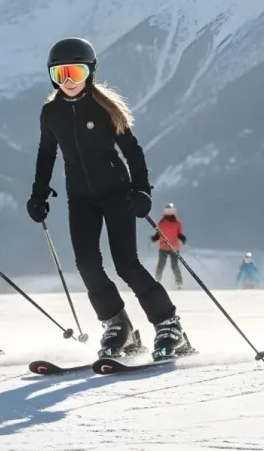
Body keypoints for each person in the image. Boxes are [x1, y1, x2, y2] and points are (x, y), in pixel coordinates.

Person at [25, 37, 193, 362]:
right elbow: (46, 155)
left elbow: (133, 152)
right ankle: (117, 324)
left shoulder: (105, 109)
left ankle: (168, 323)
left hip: (117, 196)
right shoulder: (51, 114)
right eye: (61, 75)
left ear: (90, 72)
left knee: (126, 264)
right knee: (87, 265)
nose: (70, 81)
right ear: (52, 77)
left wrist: (142, 191)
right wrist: (38, 194)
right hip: (81, 200)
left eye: (76, 72)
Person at [151, 203, 185, 289]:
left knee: (174, 266)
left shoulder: (177, 223)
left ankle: (179, 283)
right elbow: (158, 233)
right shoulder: (162, 222)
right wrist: (155, 238)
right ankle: (157, 281)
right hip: (163, 247)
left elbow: (179, 233)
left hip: (174, 248)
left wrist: (182, 237)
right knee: (161, 265)